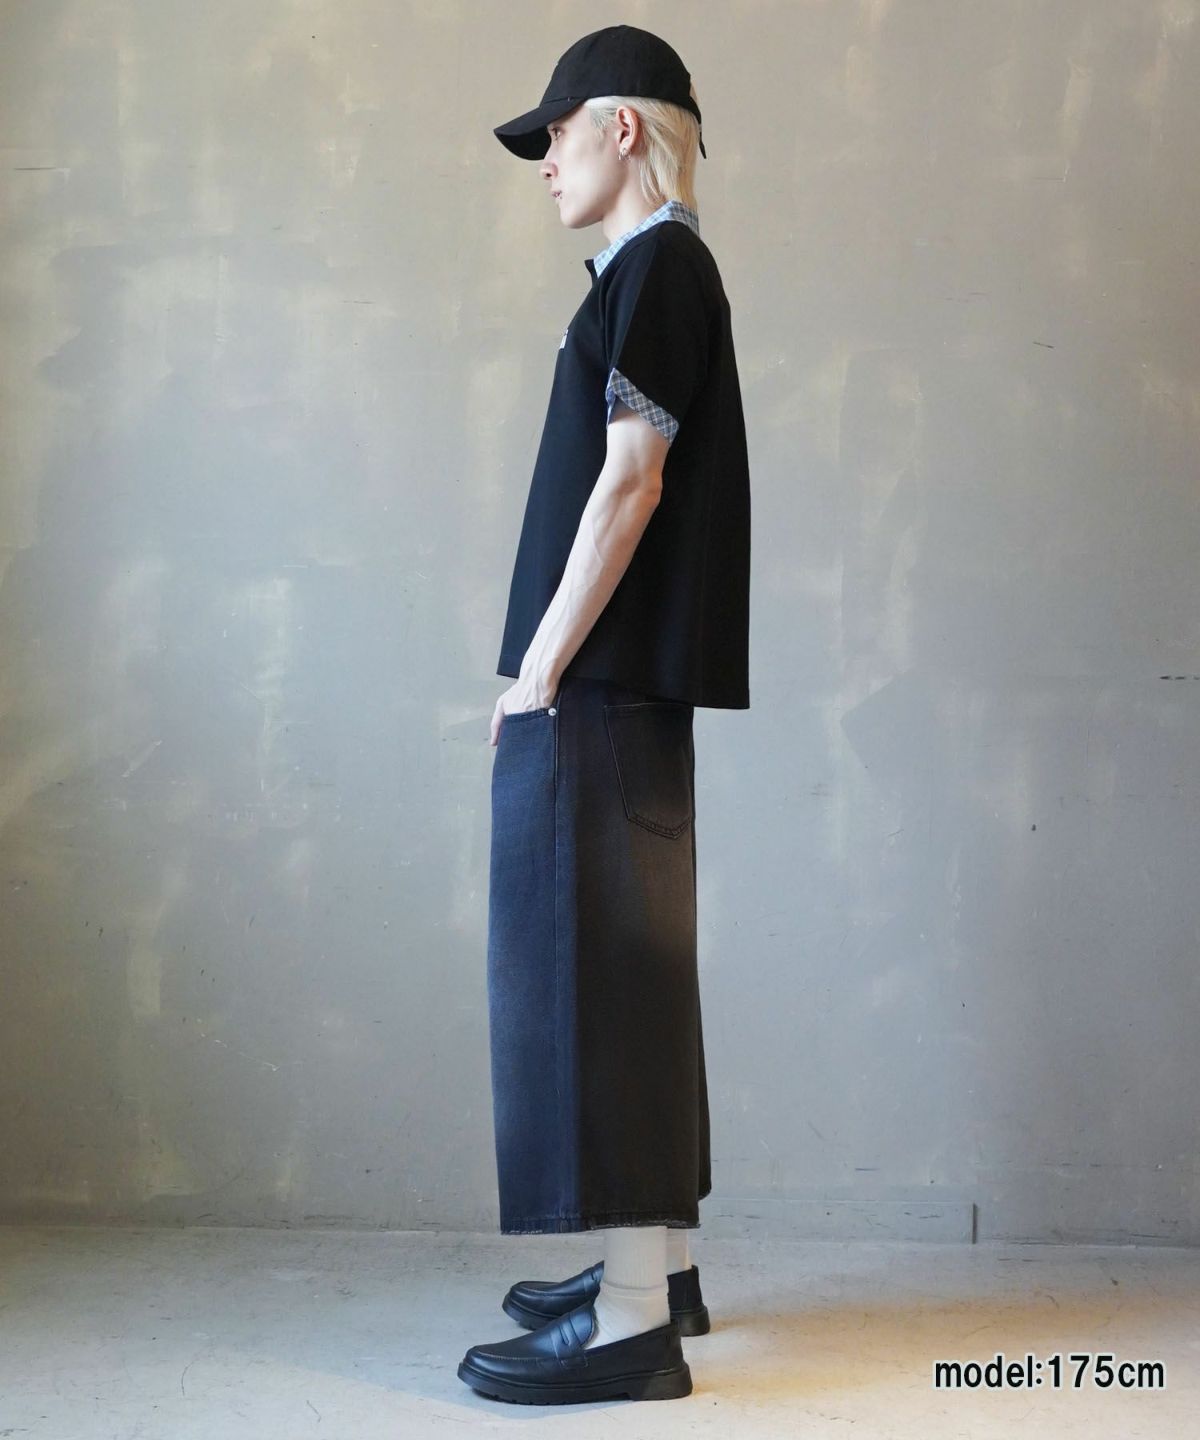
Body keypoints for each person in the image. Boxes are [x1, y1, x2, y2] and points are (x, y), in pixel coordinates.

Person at [457, 24, 751, 1405]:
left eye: (556, 135)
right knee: (632, 975)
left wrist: (540, 667)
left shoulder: (659, 269)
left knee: (601, 986)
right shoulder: (656, 271)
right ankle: (660, 1272)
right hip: (627, 685)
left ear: (621, 128)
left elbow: (632, 479)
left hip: (604, 681)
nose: (545, 163)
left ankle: (632, 1325)